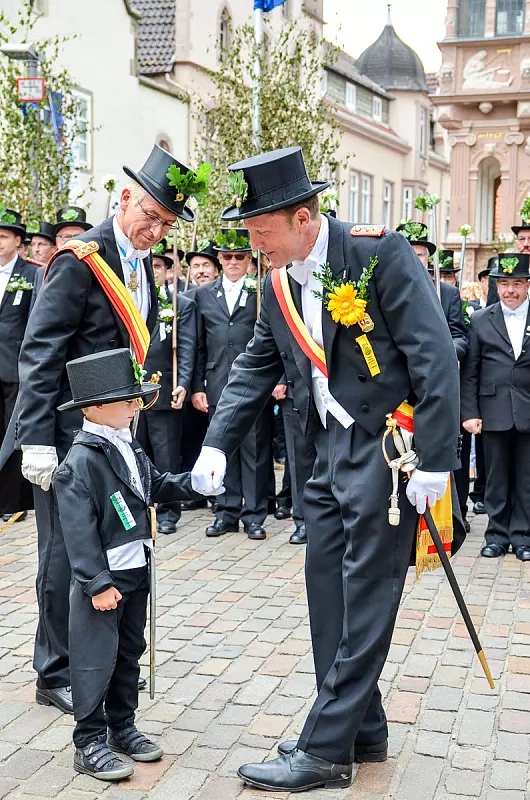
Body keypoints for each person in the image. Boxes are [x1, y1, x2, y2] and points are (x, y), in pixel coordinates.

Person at [191, 147, 461, 793]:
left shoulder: (376, 254)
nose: (254, 245)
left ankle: (324, 750)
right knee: (327, 597)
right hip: (325, 451)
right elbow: (256, 364)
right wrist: (216, 444)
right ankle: (361, 729)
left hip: (387, 447)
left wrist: (438, 460)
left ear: (304, 218)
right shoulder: (277, 280)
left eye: (262, 231)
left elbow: (434, 356)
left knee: (366, 599)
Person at [8, 145, 201, 714]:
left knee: (110, 547)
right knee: (64, 555)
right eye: (150, 216)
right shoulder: (80, 260)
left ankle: (99, 663)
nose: (155, 231)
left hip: (114, 433)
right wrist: (36, 437)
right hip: (67, 437)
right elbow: (41, 351)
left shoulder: (140, 266)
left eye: (166, 224)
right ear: (124, 198)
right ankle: (54, 670)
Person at [53, 348, 211, 781]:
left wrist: (194, 482)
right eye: (127, 400)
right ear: (95, 407)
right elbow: (79, 535)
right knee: (95, 657)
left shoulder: (127, 443)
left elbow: (153, 485)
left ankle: (122, 725)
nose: (136, 407)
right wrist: (96, 583)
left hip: (136, 568)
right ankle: (88, 740)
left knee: (129, 651)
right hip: (104, 580)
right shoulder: (79, 463)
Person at [191, 227, 271, 541]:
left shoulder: (260, 291)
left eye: (240, 256)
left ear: (249, 259)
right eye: (228, 256)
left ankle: (254, 515)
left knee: (255, 450)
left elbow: (273, 341)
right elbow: (197, 344)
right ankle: (225, 512)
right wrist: (197, 386)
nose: (234, 262)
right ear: (220, 260)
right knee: (221, 447)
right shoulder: (204, 294)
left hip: (253, 384)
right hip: (217, 383)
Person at [396, 223, 470, 527]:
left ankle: (452, 514)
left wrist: (443, 355)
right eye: (410, 252)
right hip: (399, 390)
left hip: (433, 383)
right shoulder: (387, 288)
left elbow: (460, 335)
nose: (416, 259)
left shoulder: (446, 292)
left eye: (421, 254)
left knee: (442, 448)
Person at [461, 253, 530, 561]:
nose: (510, 290)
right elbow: (471, 371)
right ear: (495, 285)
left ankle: (524, 537)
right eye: (504, 284)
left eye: (517, 283)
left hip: (527, 409)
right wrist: (470, 412)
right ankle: (497, 535)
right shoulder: (480, 319)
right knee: (496, 479)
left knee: (527, 479)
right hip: (493, 411)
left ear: (527, 285)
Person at [136, 246, 197, 534]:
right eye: (150, 266)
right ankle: (138, 507)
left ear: (167, 271)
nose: (154, 271)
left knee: (166, 455)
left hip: (164, 388)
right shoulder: (130, 301)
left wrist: (183, 382)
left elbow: (186, 347)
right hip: (132, 392)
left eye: (159, 266)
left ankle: (169, 512)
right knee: (135, 451)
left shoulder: (180, 304)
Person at [0, 208, 37, 523]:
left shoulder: (32, 273)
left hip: (15, 369)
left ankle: (12, 502)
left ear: (17, 241)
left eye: (3, 236)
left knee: (12, 436)